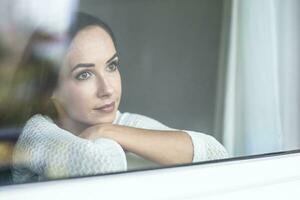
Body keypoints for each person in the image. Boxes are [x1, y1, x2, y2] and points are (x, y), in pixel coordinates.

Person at [12, 12, 229, 183]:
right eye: (84, 74)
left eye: (111, 66)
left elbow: (216, 155)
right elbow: (102, 166)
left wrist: (107, 130)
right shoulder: (37, 133)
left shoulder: (116, 124)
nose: (107, 89)